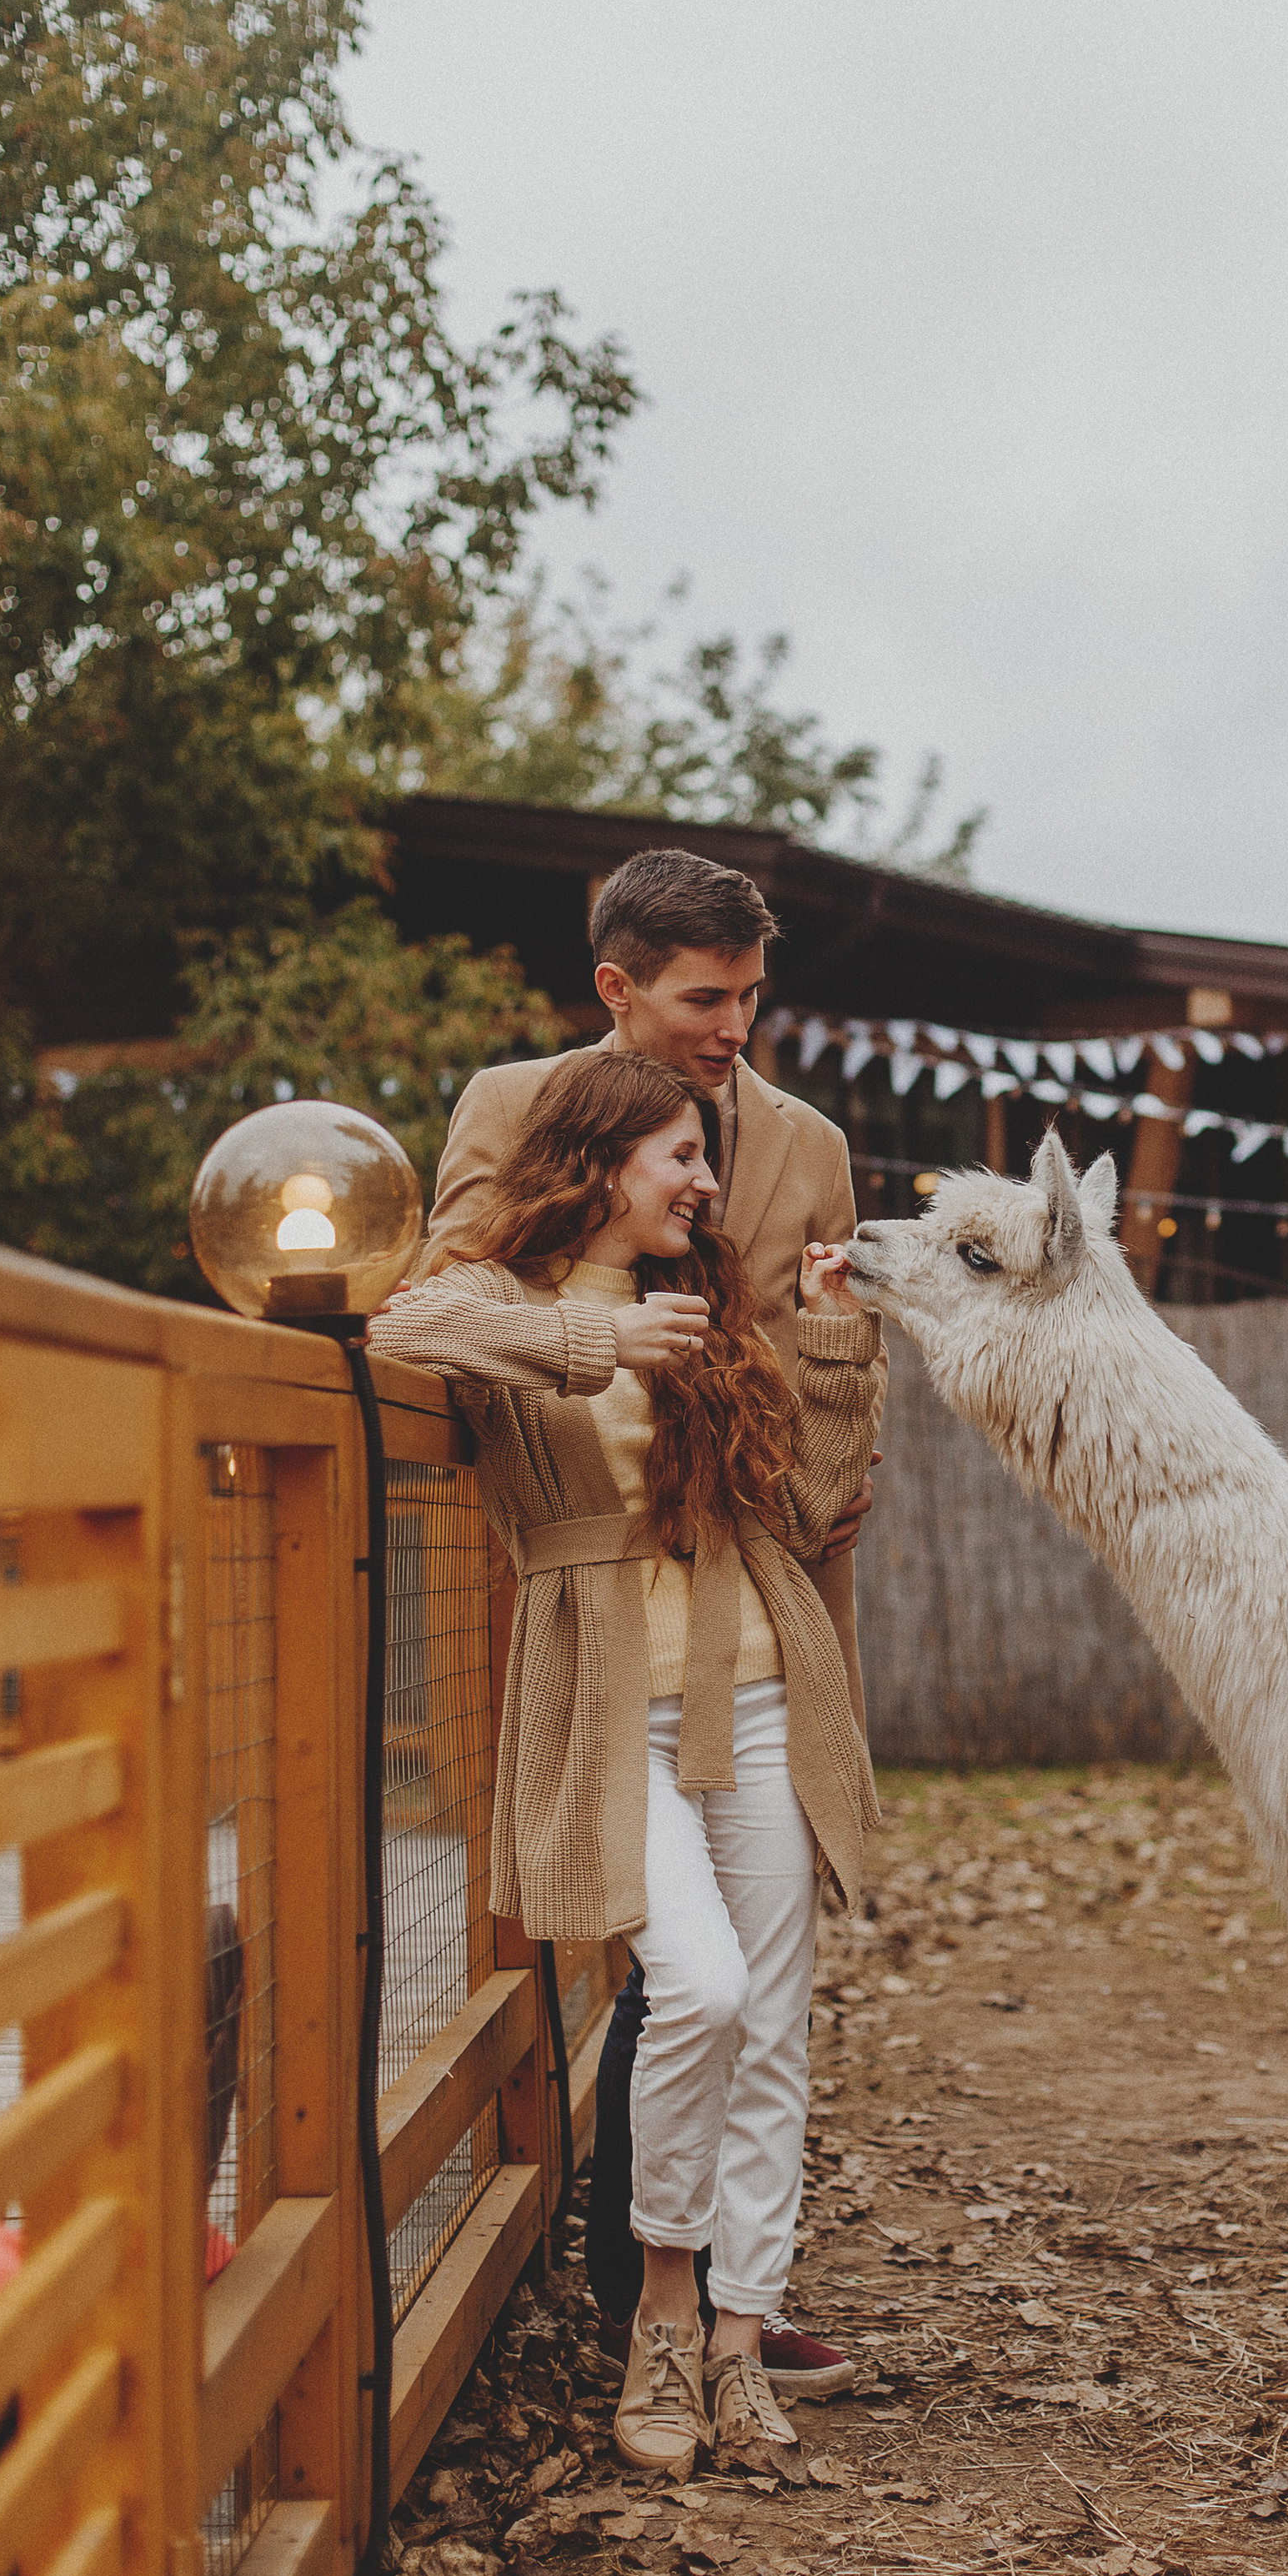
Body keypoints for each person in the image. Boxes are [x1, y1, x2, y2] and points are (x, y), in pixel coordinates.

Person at [373, 1048, 882, 2481]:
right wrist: (601, 1348)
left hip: (764, 1684)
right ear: (600, 1167)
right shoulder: (515, 1301)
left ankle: (740, 2335)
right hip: (610, 1703)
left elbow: (812, 1505)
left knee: (773, 2023)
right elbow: (403, 1326)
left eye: (707, 1159)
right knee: (700, 1988)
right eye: (681, 1156)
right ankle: (662, 2313)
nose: (709, 1184)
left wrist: (834, 1348)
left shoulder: (709, 1311)